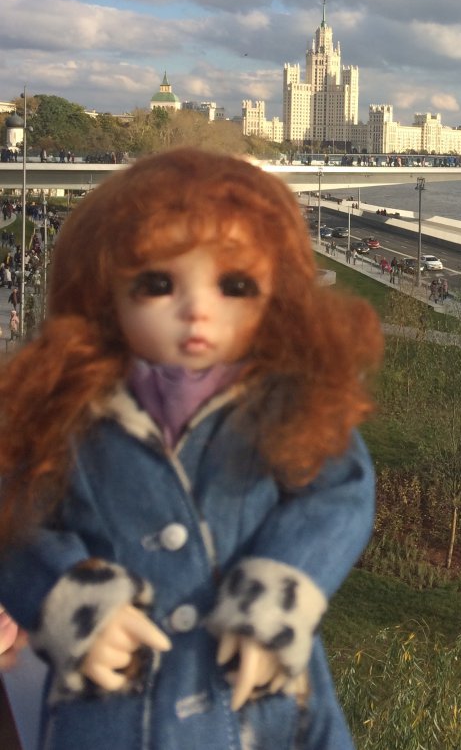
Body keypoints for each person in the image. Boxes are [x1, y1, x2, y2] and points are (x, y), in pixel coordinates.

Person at [0, 148, 384, 750]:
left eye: (235, 286)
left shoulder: (288, 403)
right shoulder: (71, 415)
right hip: (113, 711)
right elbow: (16, 518)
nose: (198, 310)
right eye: (158, 284)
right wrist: (69, 601)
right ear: (104, 295)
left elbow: (338, 498)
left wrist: (279, 596)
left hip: (263, 706)